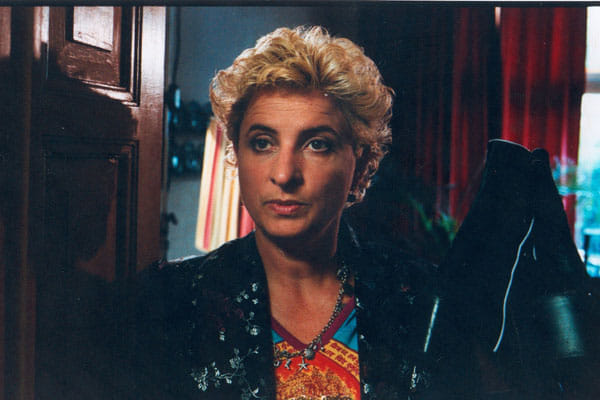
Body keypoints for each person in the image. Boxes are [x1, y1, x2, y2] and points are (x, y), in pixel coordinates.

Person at [129, 26, 460, 400]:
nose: (285, 174)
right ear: (237, 155)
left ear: (360, 163)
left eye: (317, 144)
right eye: (262, 143)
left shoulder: (421, 299)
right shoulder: (166, 300)